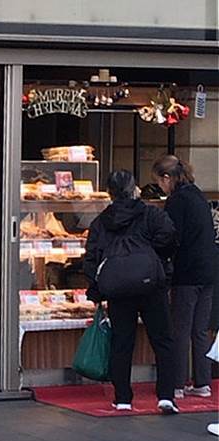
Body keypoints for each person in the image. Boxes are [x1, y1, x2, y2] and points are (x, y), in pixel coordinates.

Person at [84, 169, 179, 413]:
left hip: (118, 289)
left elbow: (92, 256)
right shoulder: (150, 214)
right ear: (134, 188)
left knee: (122, 341)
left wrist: (96, 289)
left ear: (109, 193)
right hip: (151, 286)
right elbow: (169, 237)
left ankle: (123, 397)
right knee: (163, 340)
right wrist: (155, 259)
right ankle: (166, 395)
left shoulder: (102, 221)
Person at [152, 155, 218, 399]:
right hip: (209, 270)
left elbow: (171, 236)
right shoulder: (198, 195)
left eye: (159, 181)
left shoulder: (177, 201)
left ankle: (176, 383)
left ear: (167, 178)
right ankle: (202, 382)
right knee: (200, 330)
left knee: (179, 329)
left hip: (187, 272)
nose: (160, 186)